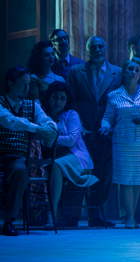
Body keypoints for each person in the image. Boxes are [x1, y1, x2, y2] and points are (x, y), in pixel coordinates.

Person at [67, 36, 121, 227]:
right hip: (83, 129)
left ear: (105, 49)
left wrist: (112, 125)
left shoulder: (117, 72)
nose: (97, 49)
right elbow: (71, 100)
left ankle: (97, 214)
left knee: (104, 173)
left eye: (100, 46)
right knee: (81, 171)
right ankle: (72, 214)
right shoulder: (75, 72)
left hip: (106, 131)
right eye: (93, 47)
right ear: (87, 49)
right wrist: (78, 125)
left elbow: (119, 103)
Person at [100, 59, 140, 228]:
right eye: (129, 69)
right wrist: (104, 127)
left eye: (136, 69)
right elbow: (107, 117)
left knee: (138, 180)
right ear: (123, 72)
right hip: (123, 141)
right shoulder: (114, 95)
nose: (133, 72)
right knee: (126, 180)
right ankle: (129, 217)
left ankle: (132, 215)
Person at [0, 67, 57, 236]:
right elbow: (9, 121)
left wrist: (48, 129)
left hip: (16, 156)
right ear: (11, 83)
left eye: (28, 84)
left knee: (19, 171)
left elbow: (48, 122)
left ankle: (9, 221)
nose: (27, 88)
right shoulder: (1, 102)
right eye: (22, 84)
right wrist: (37, 129)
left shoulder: (32, 105)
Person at [42, 82, 98, 224]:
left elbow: (71, 140)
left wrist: (49, 138)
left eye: (62, 98)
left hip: (76, 156)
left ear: (67, 101)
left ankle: (53, 212)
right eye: (55, 97)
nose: (58, 102)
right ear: (49, 98)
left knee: (56, 165)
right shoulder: (43, 115)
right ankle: (39, 213)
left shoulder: (71, 115)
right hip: (52, 155)